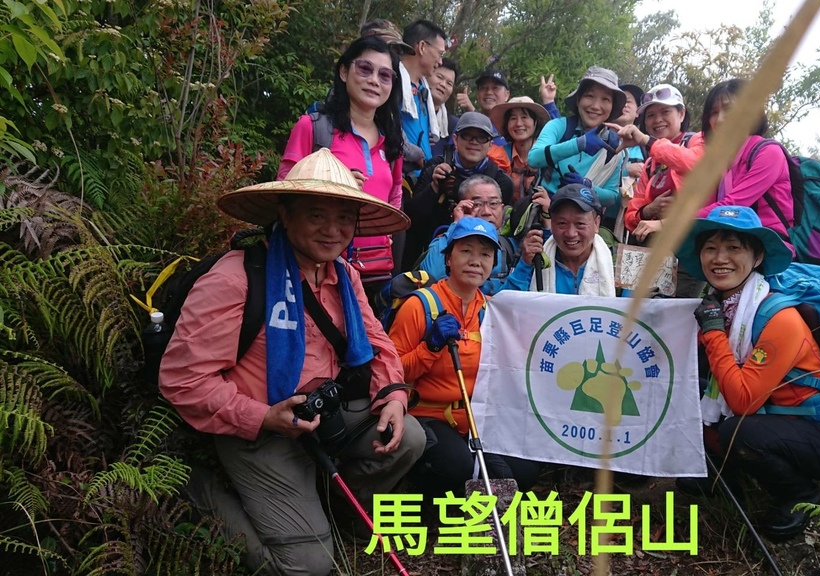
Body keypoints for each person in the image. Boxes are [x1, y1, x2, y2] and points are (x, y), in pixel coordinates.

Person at [160, 149, 427, 576]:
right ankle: (195, 491)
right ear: (284, 215)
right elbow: (181, 380)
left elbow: (378, 343)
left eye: (344, 218)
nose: (333, 230)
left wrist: (393, 395)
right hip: (260, 426)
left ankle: (325, 502)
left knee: (409, 436)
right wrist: (264, 416)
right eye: (316, 215)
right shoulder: (236, 279)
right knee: (308, 567)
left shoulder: (344, 274)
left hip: (323, 415)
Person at [679, 205, 820, 541]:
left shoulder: (778, 318)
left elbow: (744, 400)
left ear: (757, 256)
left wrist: (715, 333)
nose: (721, 258)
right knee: (694, 395)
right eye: (711, 248)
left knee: (738, 431)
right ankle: (729, 476)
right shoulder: (719, 306)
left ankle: (800, 494)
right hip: (775, 418)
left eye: (734, 248)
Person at [388, 217, 541, 500]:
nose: (475, 261)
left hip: (475, 418)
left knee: (525, 472)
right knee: (457, 469)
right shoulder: (420, 306)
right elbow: (392, 374)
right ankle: (419, 487)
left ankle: (469, 498)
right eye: (466, 251)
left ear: (494, 263)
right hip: (429, 416)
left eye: (485, 254)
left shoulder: (491, 311)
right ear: (448, 258)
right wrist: (429, 349)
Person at [278, 35, 404, 301]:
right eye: (365, 69)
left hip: (378, 270)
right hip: (320, 265)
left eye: (385, 75)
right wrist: (336, 185)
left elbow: (394, 198)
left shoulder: (392, 141)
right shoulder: (314, 127)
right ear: (344, 72)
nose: (374, 81)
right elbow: (285, 188)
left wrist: (387, 233)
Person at [614, 84, 706, 297]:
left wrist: (646, 141)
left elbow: (696, 164)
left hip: (686, 247)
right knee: (637, 315)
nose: (657, 120)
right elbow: (631, 215)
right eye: (651, 115)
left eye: (665, 112)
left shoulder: (697, 141)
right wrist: (648, 210)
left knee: (673, 316)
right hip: (650, 250)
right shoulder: (650, 164)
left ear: (681, 114)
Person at [403, 112, 514, 270]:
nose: (474, 142)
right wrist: (434, 188)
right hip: (434, 254)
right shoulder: (436, 168)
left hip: (479, 257)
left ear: (491, 144)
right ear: (455, 139)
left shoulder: (500, 181)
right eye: (467, 136)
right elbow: (411, 218)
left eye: (481, 137)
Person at [697, 78, 794, 253]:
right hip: (732, 247)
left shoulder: (769, 153)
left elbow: (732, 206)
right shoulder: (722, 161)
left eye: (729, 109)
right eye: (713, 112)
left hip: (769, 252)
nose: (719, 119)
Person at [528, 66, 626, 229]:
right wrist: (579, 144)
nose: (596, 106)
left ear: (612, 106)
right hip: (544, 217)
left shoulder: (614, 146)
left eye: (605, 100)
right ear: (579, 99)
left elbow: (612, 196)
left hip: (584, 226)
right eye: (589, 96)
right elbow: (533, 158)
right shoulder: (559, 127)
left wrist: (587, 186)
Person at [416, 175, 535, 295]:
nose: (486, 212)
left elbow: (513, 299)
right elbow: (433, 276)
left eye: (493, 203)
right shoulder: (444, 240)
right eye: (477, 204)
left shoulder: (511, 247)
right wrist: (458, 225)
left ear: (502, 208)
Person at [505, 183, 616, 296]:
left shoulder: (619, 262)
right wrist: (525, 264)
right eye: (562, 224)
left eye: (580, 224)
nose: (571, 233)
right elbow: (506, 305)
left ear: (596, 223)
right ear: (551, 224)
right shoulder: (536, 260)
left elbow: (632, 308)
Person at [399, 19, 448, 168]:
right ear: (422, 47)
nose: (440, 62)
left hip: (421, 177)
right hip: (400, 173)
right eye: (440, 54)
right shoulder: (392, 82)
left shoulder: (424, 89)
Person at [489, 96, 551, 204]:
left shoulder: (547, 153)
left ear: (535, 122)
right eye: (513, 118)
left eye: (524, 117)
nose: (518, 123)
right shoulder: (499, 155)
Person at [428, 57, 461, 158]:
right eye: (439, 77)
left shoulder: (455, 125)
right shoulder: (409, 113)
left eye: (449, 83)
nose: (443, 85)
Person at [614, 83, 647, 176]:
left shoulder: (646, 146)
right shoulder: (598, 139)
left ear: (637, 112)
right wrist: (625, 171)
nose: (624, 105)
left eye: (628, 101)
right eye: (619, 101)